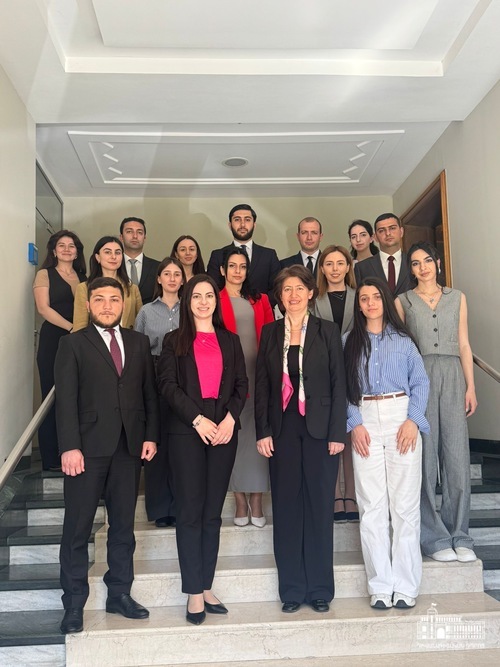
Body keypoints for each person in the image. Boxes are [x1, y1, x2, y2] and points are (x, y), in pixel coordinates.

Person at [54, 277, 159, 635]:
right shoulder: (72, 344)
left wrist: (150, 436)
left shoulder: (138, 342)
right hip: (85, 449)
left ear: (124, 304)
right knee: (77, 528)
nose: (107, 306)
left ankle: (119, 594)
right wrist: (69, 446)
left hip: (129, 448)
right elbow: (65, 399)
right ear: (88, 305)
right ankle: (73, 603)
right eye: (99, 299)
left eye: (114, 299)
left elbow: (149, 394)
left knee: (123, 527)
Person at [255, 265, 346, 614]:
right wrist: (263, 430)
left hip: (321, 430)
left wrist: (337, 432)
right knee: (287, 508)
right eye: (286, 290)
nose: (292, 295)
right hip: (282, 428)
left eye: (299, 289)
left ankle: (320, 589)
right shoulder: (270, 332)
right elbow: (262, 385)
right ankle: (291, 589)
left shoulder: (327, 330)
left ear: (310, 293)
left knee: (320, 508)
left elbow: (339, 384)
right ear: (280, 297)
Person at [157, 275, 248, 626]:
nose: (204, 301)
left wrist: (230, 420)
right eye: (197, 296)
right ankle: (194, 591)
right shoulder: (174, 340)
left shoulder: (230, 340)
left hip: (224, 429)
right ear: (187, 301)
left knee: (212, 513)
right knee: (190, 512)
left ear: (216, 301)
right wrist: (197, 420)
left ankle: (206, 585)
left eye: (209, 295)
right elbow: (167, 385)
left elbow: (241, 384)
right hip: (187, 429)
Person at [343, 277, 429, 610]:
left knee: (405, 507)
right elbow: (343, 386)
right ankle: (380, 586)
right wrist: (354, 423)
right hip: (365, 419)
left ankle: (406, 586)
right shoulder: (348, 341)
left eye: (376, 297)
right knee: (371, 506)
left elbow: (420, 382)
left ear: (385, 301)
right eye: (364, 298)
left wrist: (413, 420)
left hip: (400, 417)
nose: (370, 303)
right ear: (359, 305)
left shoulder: (404, 341)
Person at [396, 242, 478, 563]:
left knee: (457, 457)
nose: (423, 267)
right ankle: (433, 537)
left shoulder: (457, 297)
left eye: (427, 260)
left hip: (454, 374)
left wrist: (471, 386)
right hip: (420, 377)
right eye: (416, 263)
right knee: (425, 458)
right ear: (411, 269)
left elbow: (465, 344)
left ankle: (461, 535)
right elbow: (400, 348)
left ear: (438, 262)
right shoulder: (402, 301)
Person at [219, 247, 274, 527]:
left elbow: (271, 337)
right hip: (227, 377)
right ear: (222, 270)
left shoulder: (260, 299)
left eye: (242, 266)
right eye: (232, 266)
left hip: (258, 373)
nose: (237, 271)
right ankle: (240, 500)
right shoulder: (213, 299)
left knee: (258, 435)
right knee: (235, 437)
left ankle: (257, 499)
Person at [135, 257, 186, 529]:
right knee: (155, 438)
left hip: (185, 375)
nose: (172, 278)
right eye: (167, 274)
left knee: (180, 443)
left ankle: (179, 506)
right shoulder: (145, 311)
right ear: (159, 278)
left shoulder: (190, 308)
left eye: (177, 274)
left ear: (183, 279)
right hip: (153, 373)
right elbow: (137, 349)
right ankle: (159, 509)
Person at [33, 230, 86, 470]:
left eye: (71, 246)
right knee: (51, 396)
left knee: (77, 397)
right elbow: (43, 309)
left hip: (79, 342)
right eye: (61, 245)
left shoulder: (84, 277)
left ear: (77, 251)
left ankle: (74, 452)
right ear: (54, 251)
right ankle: (51, 458)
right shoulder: (45, 274)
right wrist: (71, 328)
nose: (66, 249)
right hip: (54, 339)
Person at [312, 245, 357, 522]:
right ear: (322, 268)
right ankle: (333, 494)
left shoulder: (360, 296)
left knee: (351, 432)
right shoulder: (313, 300)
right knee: (331, 433)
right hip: (323, 370)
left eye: (340, 263)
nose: (335, 268)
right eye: (329, 264)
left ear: (348, 267)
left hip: (354, 368)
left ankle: (350, 494)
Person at [207, 204, 281, 304]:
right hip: (226, 310)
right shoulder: (217, 255)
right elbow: (212, 288)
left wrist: (260, 305)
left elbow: (277, 288)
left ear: (254, 225)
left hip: (263, 311)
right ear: (230, 225)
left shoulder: (269, 255)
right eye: (237, 220)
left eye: (247, 220)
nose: (242, 225)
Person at [73, 236, 142, 331]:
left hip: (126, 339)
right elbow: (80, 326)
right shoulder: (84, 288)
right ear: (97, 257)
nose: (113, 257)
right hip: (94, 339)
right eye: (107, 252)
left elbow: (141, 323)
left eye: (117, 253)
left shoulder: (132, 288)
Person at [354, 214, 411, 297]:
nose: (388, 233)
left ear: (401, 232)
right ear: (375, 237)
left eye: (392, 228)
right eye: (381, 231)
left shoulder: (413, 262)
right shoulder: (362, 268)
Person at [120, 217, 160, 305]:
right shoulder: (114, 266)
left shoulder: (158, 267)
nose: (135, 236)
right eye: (129, 232)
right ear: (121, 237)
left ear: (144, 238)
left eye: (139, 232)